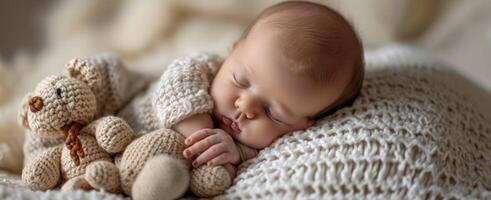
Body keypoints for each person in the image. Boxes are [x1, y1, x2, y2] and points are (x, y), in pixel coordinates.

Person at [172, 0, 364, 178]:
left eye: (273, 114)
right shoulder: (201, 69)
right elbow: (176, 89)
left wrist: (235, 153)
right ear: (233, 50)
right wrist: (201, 132)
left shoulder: (271, 150)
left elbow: (245, 159)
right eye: (240, 81)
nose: (245, 107)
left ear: (303, 126)